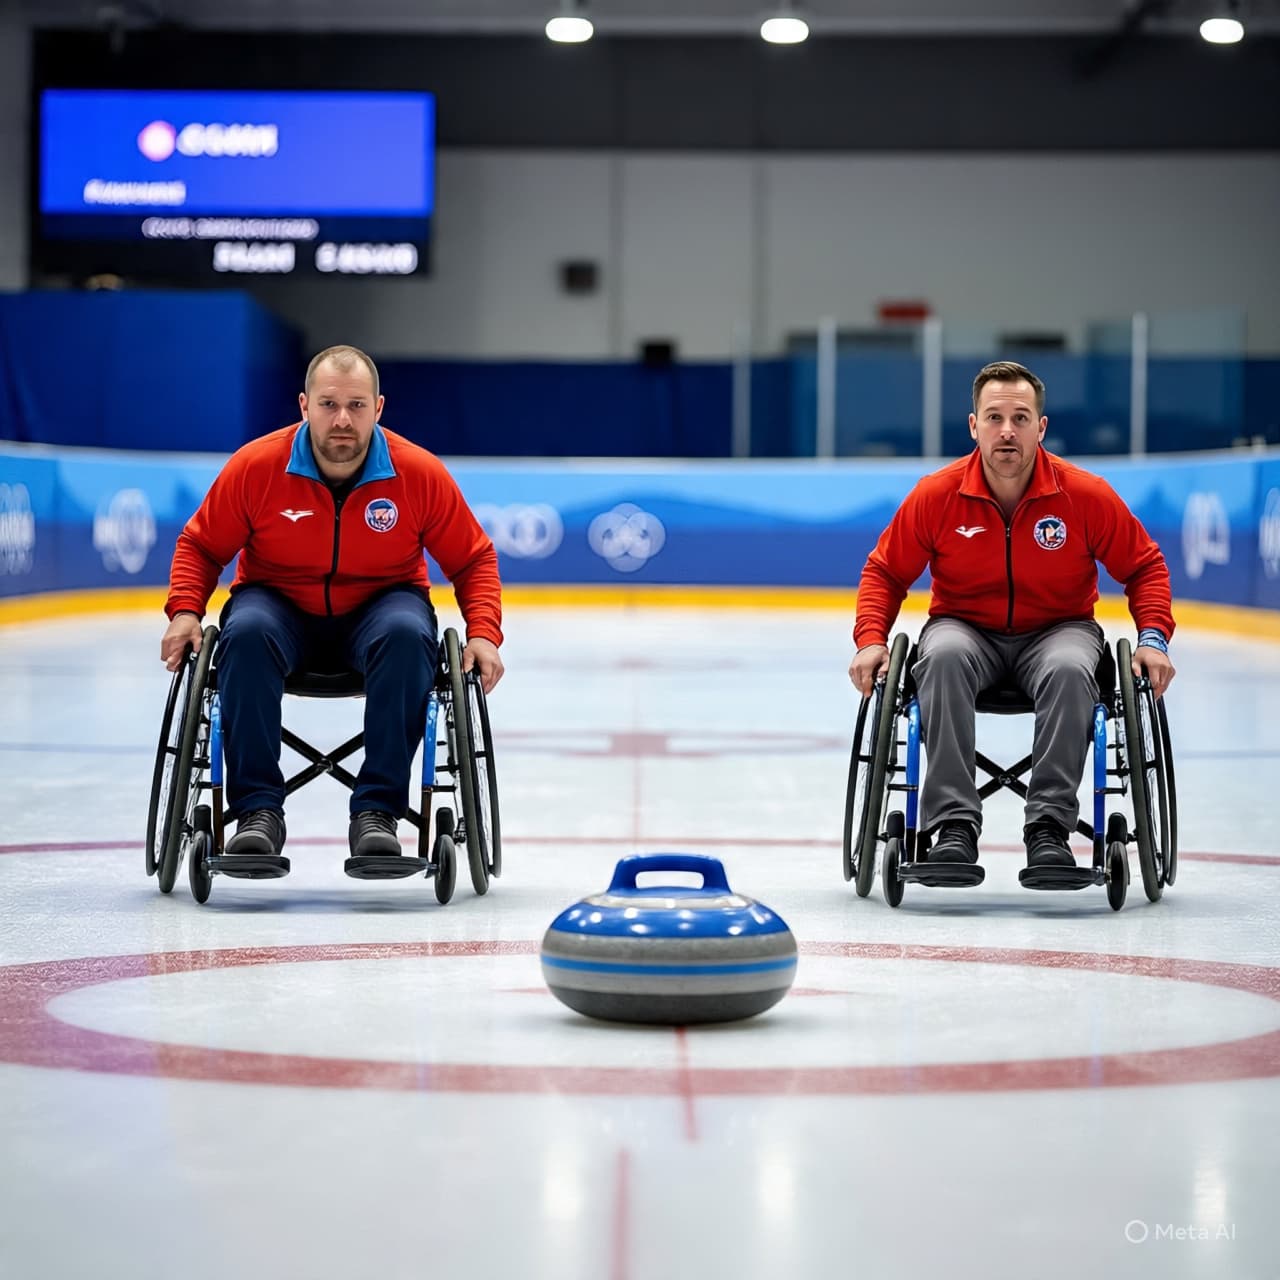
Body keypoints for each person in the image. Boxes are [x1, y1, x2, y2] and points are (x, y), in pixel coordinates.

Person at [160, 344, 503, 872]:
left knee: (410, 635)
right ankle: (256, 812)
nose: (342, 419)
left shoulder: (417, 474)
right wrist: (185, 610)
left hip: (380, 608)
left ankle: (377, 813)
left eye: (357, 405)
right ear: (303, 405)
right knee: (243, 631)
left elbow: (473, 558)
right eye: (328, 404)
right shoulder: (256, 467)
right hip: (278, 606)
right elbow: (202, 546)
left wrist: (483, 633)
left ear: (379, 408)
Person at [848, 360, 1175, 870]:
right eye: (994, 417)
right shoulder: (937, 495)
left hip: (1059, 629)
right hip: (964, 628)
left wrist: (1153, 639)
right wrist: (871, 638)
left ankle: (1048, 828)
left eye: (1020, 418)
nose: (1007, 431)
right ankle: (953, 826)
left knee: (1071, 670)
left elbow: (1145, 567)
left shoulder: (1085, 495)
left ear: (1041, 427)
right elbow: (885, 572)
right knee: (943, 658)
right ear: (974, 424)